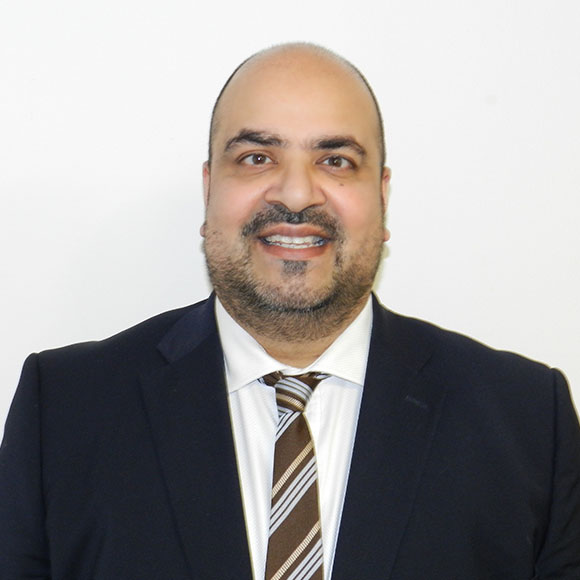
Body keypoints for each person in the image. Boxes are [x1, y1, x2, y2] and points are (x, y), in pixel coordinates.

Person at [1, 42, 579, 580]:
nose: (297, 195)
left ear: (382, 198)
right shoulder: (65, 412)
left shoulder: (528, 421)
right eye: (256, 157)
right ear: (209, 192)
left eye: (336, 160)